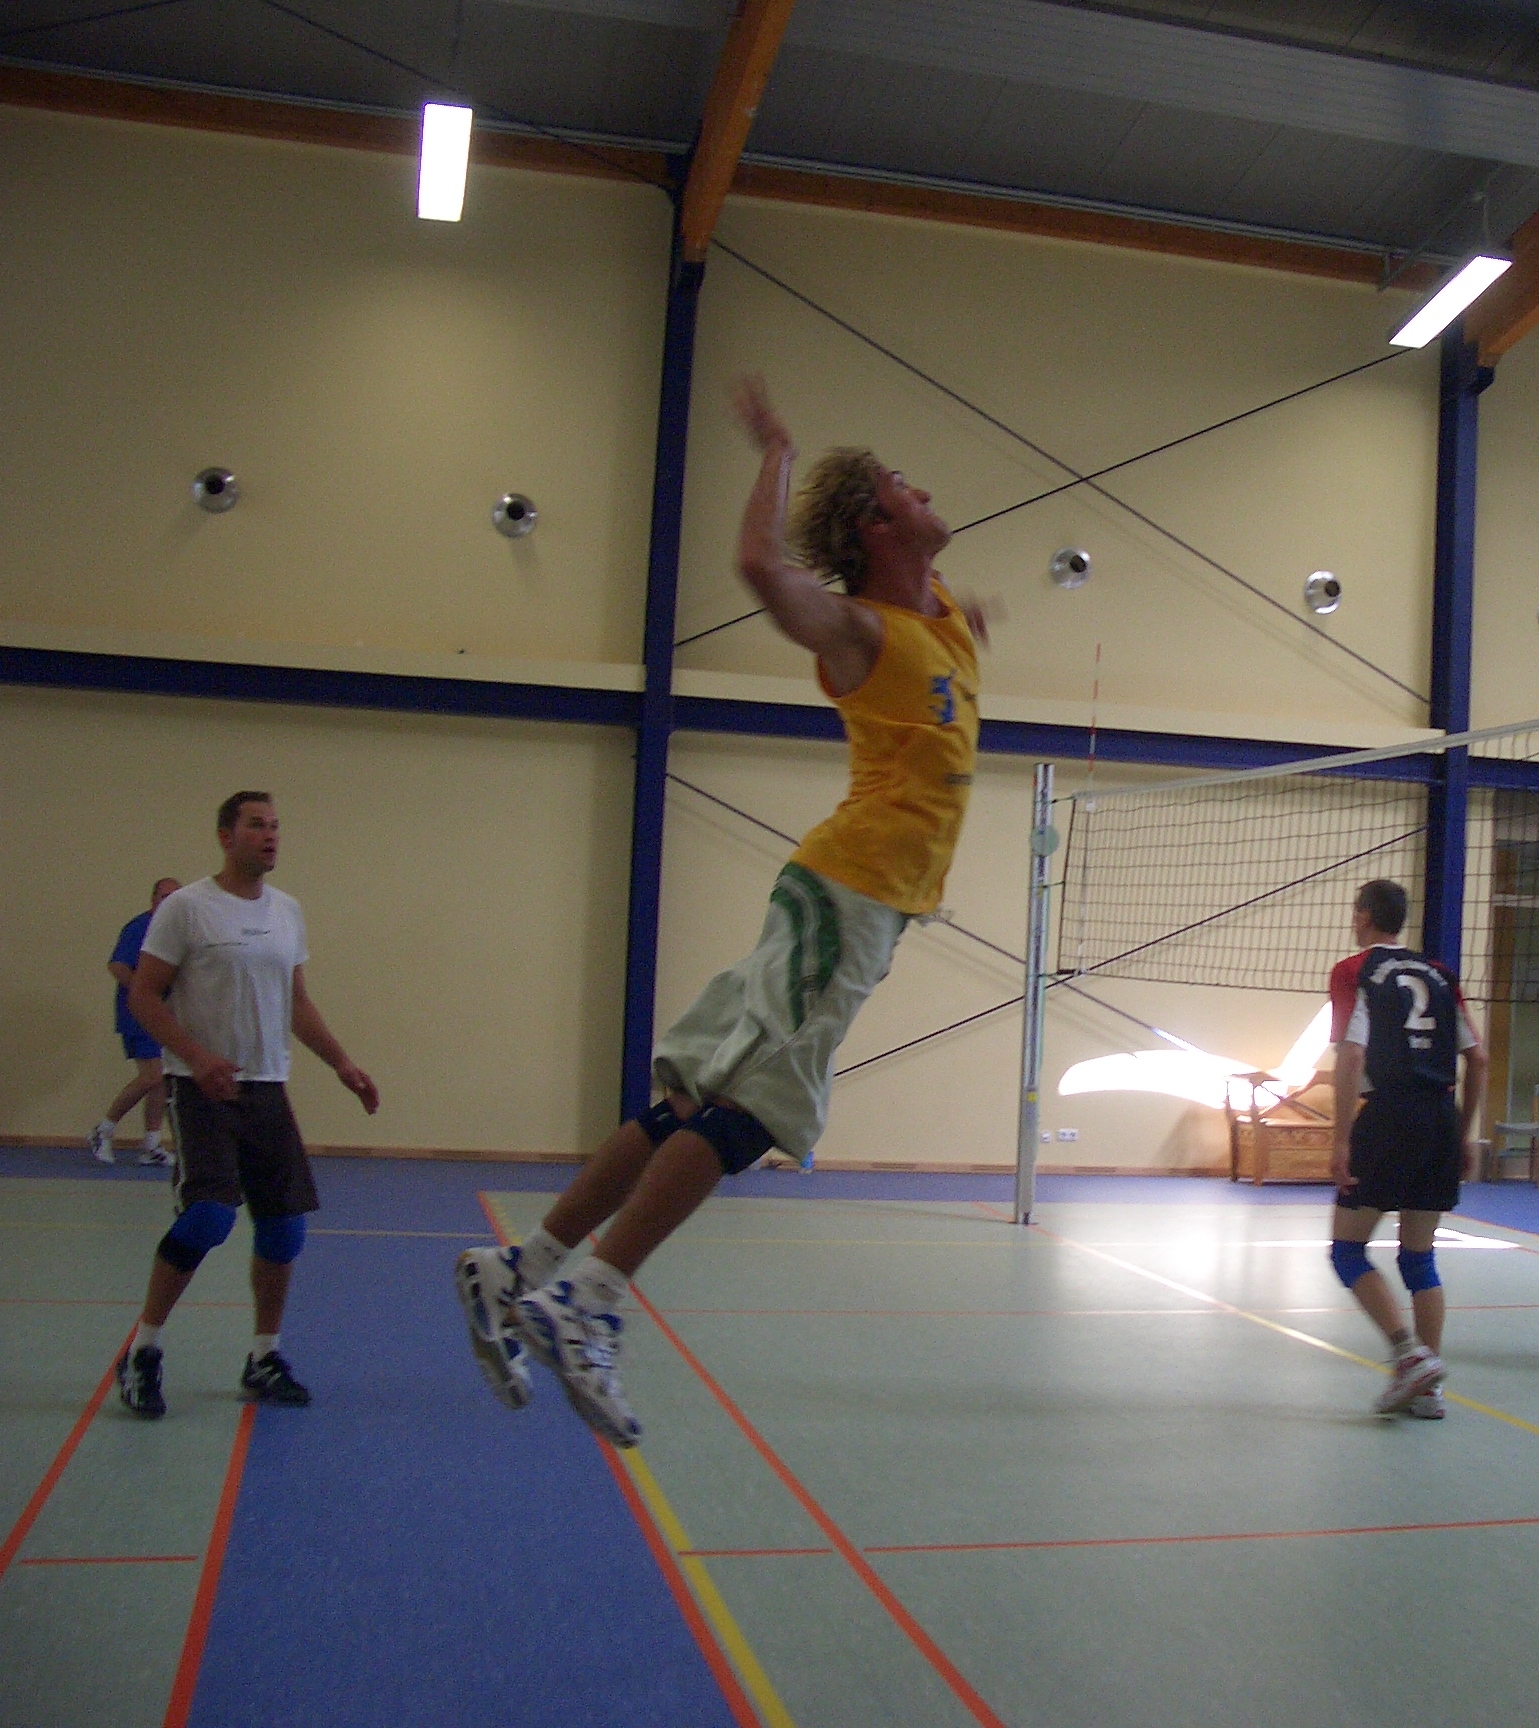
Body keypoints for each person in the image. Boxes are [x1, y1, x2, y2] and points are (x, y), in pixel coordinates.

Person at [456, 376, 987, 1448]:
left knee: (690, 1098)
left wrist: (977, 614)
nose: (925, 489)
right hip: (849, 894)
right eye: (902, 484)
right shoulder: (860, 629)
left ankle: (524, 1267)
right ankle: (588, 1300)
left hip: (852, 900)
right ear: (875, 526)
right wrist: (779, 449)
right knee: (758, 1112)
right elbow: (758, 568)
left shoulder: (938, 615)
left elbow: (955, 633)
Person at [112, 794, 379, 1419]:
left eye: (276, 826)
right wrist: (196, 1056)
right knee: (209, 1216)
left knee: (285, 1228)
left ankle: (264, 1356)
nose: (270, 835)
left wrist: (342, 1063)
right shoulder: (187, 908)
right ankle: (143, 1350)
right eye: (257, 825)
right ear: (225, 836)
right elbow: (144, 995)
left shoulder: (287, 911)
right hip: (200, 1087)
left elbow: (297, 1003)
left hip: (266, 1087)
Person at [1326, 879, 1487, 1419]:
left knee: (1347, 1250)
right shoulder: (1440, 974)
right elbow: (1479, 1059)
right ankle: (1428, 1388)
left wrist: (1341, 1139)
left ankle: (1408, 1354)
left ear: (1364, 916)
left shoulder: (1355, 971)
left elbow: (1352, 1055)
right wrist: (1463, 1134)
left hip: (1389, 1116)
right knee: (1419, 1256)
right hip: (1440, 1116)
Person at [90, 877, 181, 1166]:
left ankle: (151, 1144)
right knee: (151, 1076)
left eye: (175, 897)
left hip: (164, 1015)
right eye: (164, 896)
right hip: (138, 1014)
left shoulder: (177, 931)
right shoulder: (140, 927)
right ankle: (104, 1129)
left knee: (162, 1078)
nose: (169, 902)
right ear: (153, 898)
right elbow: (117, 966)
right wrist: (145, 993)